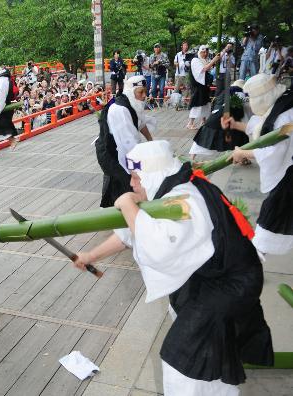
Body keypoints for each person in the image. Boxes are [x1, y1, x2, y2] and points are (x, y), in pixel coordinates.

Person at [76, 140, 274, 396]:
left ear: (151, 174)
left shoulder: (184, 199)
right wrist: (91, 254)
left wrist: (126, 205)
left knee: (182, 360)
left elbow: (158, 246)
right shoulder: (171, 188)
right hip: (214, 277)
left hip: (229, 285)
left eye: (136, 177)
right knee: (200, 345)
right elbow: (132, 233)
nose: (132, 184)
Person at [226, 74, 293, 256]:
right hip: (286, 172)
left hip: (288, 174)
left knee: (273, 213)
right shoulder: (279, 105)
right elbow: (260, 127)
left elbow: (274, 152)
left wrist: (242, 153)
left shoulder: (284, 117)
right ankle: (258, 250)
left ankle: (256, 252)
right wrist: (236, 125)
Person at [96, 75, 154, 208]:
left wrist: (151, 141)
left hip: (118, 146)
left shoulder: (131, 102)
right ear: (131, 91)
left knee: (122, 181)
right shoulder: (120, 109)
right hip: (109, 151)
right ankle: (116, 214)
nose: (144, 96)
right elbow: (128, 145)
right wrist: (138, 168)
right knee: (123, 180)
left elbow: (140, 122)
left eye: (145, 91)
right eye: (141, 92)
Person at [189, 80, 249, 160]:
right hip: (226, 120)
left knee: (202, 140)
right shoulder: (240, 93)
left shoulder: (225, 92)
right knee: (241, 137)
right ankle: (242, 158)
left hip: (214, 119)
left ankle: (191, 158)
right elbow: (241, 113)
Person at [186, 45, 220, 130]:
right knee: (197, 104)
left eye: (206, 52)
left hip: (203, 85)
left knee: (205, 103)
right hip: (197, 86)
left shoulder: (203, 60)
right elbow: (203, 69)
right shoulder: (195, 60)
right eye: (203, 52)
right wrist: (213, 61)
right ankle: (190, 123)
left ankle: (204, 120)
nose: (205, 54)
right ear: (199, 52)